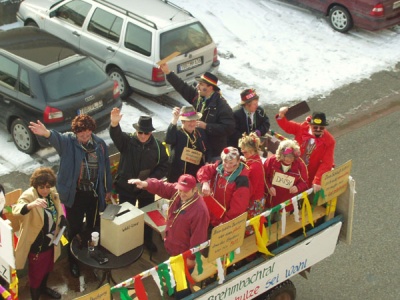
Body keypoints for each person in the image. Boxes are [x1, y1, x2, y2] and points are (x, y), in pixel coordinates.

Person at [29, 115, 112, 278]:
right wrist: (46, 133)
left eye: (88, 134)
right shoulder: (68, 142)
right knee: (73, 229)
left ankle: (91, 254)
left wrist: (107, 188)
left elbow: (106, 168)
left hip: (94, 194)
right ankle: (73, 261)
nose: (85, 138)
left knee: (93, 226)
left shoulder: (100, 145)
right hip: (75, 196)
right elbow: (55, 138)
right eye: (82, 135)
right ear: (76, 133)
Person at [129, 174, 209, 299]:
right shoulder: (177, 193)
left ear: (194, 190)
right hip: (173, 247)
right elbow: (162, 186)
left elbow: (199, 237)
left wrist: (192, 257)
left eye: (186, 191)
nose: (182, 194)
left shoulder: (200, 210)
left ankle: (181, 295)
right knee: (174, 274)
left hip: (185, 254)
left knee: (181, 283)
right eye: (180, 189)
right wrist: (145, 184)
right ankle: (175, 291)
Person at [109, 108, 169, 252]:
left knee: (146, 215)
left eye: (146, 133)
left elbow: (164, 165)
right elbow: (116, 135)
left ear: (151, 133)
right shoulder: (127, 141)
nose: (142, 135)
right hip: (126, 187)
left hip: (146, 188)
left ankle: (146, 240)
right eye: (140, 132)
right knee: (126, 217)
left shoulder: (159, 147)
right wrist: (114, 123)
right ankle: (127, 241)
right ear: (136, 131)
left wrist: (150, 181)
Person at [159, 63, 235, 161]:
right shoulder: (198, 97)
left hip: (213, 150)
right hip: (198, 146)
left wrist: (207, 126)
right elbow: (182, 87)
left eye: (201, 84)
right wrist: (168, 72)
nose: (197, 86)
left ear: (210, 88)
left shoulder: (222, 106)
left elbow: (229, 128)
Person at [12, 167, 65, 300]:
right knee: (36, 275)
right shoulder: (29, 196)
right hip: (37, 244)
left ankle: (43, 289)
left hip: (51, 241)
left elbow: (59, 207)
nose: (45, 190)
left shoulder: (51, 192)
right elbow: (16, 210)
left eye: (48, 186)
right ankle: (35, 296)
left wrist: (62, 218)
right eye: (41, 187)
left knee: (47, 268)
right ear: (35, 185)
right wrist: (31, 205)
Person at [276, 109, 335, 192]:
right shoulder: (301, 128)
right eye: (315, 127)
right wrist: (281, 116)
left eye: (321, 127)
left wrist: (317, 180)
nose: (318, 129)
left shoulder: (329, 141)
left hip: (310, 174)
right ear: (310, 125)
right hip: (292, 168)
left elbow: (327, 163)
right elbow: (287, 125)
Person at [197, 146, 251, 227]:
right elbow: (204, 170)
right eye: (225, 162)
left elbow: (237, 209)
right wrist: (204, 182)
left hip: (223, 222)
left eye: (231, 163)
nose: (228, 166)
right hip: (210, 214)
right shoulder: (219, 166)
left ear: (238, 161)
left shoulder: (242, 180)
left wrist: (225, 224)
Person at [165, 105, 208, 182]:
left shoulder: (200, 132)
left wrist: (207, 162)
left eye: (194, 120)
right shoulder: (177, 133)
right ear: (183, 121)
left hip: (196, 174)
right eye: (189, 121)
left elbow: (207, 149)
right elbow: (169, 139)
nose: (192, 123)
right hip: (179, 175)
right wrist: (174, 119)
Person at [263, 140, 309, 212]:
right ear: (280, 154)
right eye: (286, 156)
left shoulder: (300, 165)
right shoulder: (271, 161)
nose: (288, 159)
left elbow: (305, 182)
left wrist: (297, 187)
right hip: (270, 203)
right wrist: (269, 187)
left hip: (288, 205)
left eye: (291, 157)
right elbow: (264, 176)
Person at [238, 133, 265, 223]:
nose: (242, 153)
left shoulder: (255, 166)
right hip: (253, 199)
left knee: (252, 225)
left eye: (245, 152)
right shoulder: (253, 160)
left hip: (254, 201)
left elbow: (251, 188)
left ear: (252, 150)